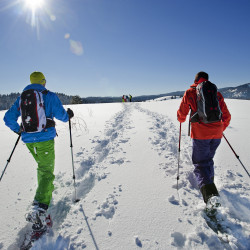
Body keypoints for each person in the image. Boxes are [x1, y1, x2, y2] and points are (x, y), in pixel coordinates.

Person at [4, 71, 74, 231]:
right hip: (45, 140)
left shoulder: (22, 97)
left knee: (42, 167)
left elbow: (8, 118)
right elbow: (62, 116)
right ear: (43, 82)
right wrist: (68, 115)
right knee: (46, 171)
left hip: (29, 141)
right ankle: (39, 208)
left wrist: (19, 130)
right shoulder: (48, 95)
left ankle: (46, 189)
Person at [177, 71, 231, 214]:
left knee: (200, 163)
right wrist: (219, 129)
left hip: (201, 134)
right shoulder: (216, 93)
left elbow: (181, 114)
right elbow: (227, 116)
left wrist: (181, 119)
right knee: (208, 158)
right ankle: (210, 182)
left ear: (195, 80)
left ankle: (211, 196)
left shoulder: (190, 92)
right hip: (217, 134)